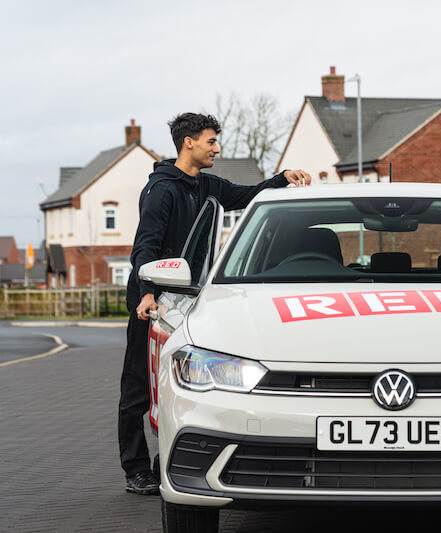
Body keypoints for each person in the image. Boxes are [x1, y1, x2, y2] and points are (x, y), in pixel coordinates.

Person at [119, 113, 310, 494]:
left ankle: (164, 461)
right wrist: (145, 295)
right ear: (188, 142)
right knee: (138, 392)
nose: (216, 149)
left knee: (172, 388)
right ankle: (136, 469)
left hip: (188, 302)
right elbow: (146, 245)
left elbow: (243, 195)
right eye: (210, 142)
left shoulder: (206, 184)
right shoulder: (161, 190)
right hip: (153, 304)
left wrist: (281, 179)